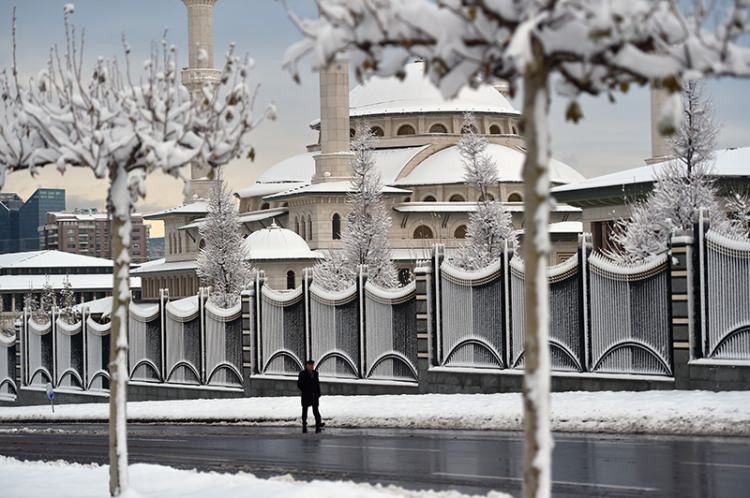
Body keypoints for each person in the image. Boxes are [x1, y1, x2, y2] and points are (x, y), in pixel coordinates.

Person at [297, 359, 324, 433]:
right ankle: (304, 422)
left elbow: (317, 383)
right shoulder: (302, 374)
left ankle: (318, 422)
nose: (312, 367)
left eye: (312, 365)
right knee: (305, 409)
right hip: (306, 395)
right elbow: (299, 384)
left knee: (316, 410)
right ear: (307, 366)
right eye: (310, 365)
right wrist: (305, 389)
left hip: (314, 395)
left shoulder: (315, 373)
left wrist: (318, 393)